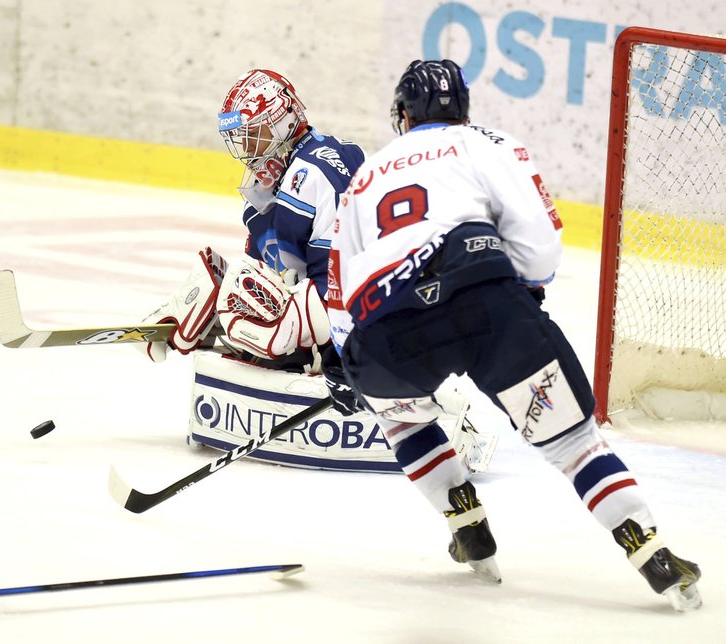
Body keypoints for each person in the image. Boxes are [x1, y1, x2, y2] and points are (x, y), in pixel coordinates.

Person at [326, 59, 701, 609]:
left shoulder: (365, 176)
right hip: (484, 305)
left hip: (386, 332)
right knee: (574, 444)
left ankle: (466, 524)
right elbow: (539, 248)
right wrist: (521, 287)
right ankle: (648, 549)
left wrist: (353, 368)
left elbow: (340, 293)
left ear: (403, 114)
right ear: (462, 108)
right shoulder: (490, 144)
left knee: (403, 421)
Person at [137, 68, 495, 473]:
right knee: (222, 279)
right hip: (349, 304)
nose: (246, 146)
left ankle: (319, 357)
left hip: (367, 311)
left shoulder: (314, 171)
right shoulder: (277, 174)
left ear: (285, 121)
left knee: (241, 289)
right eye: (240, 137)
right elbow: (272, 266)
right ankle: (191, 317)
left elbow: (343, 272)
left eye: (254, 133)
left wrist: (340, 353)